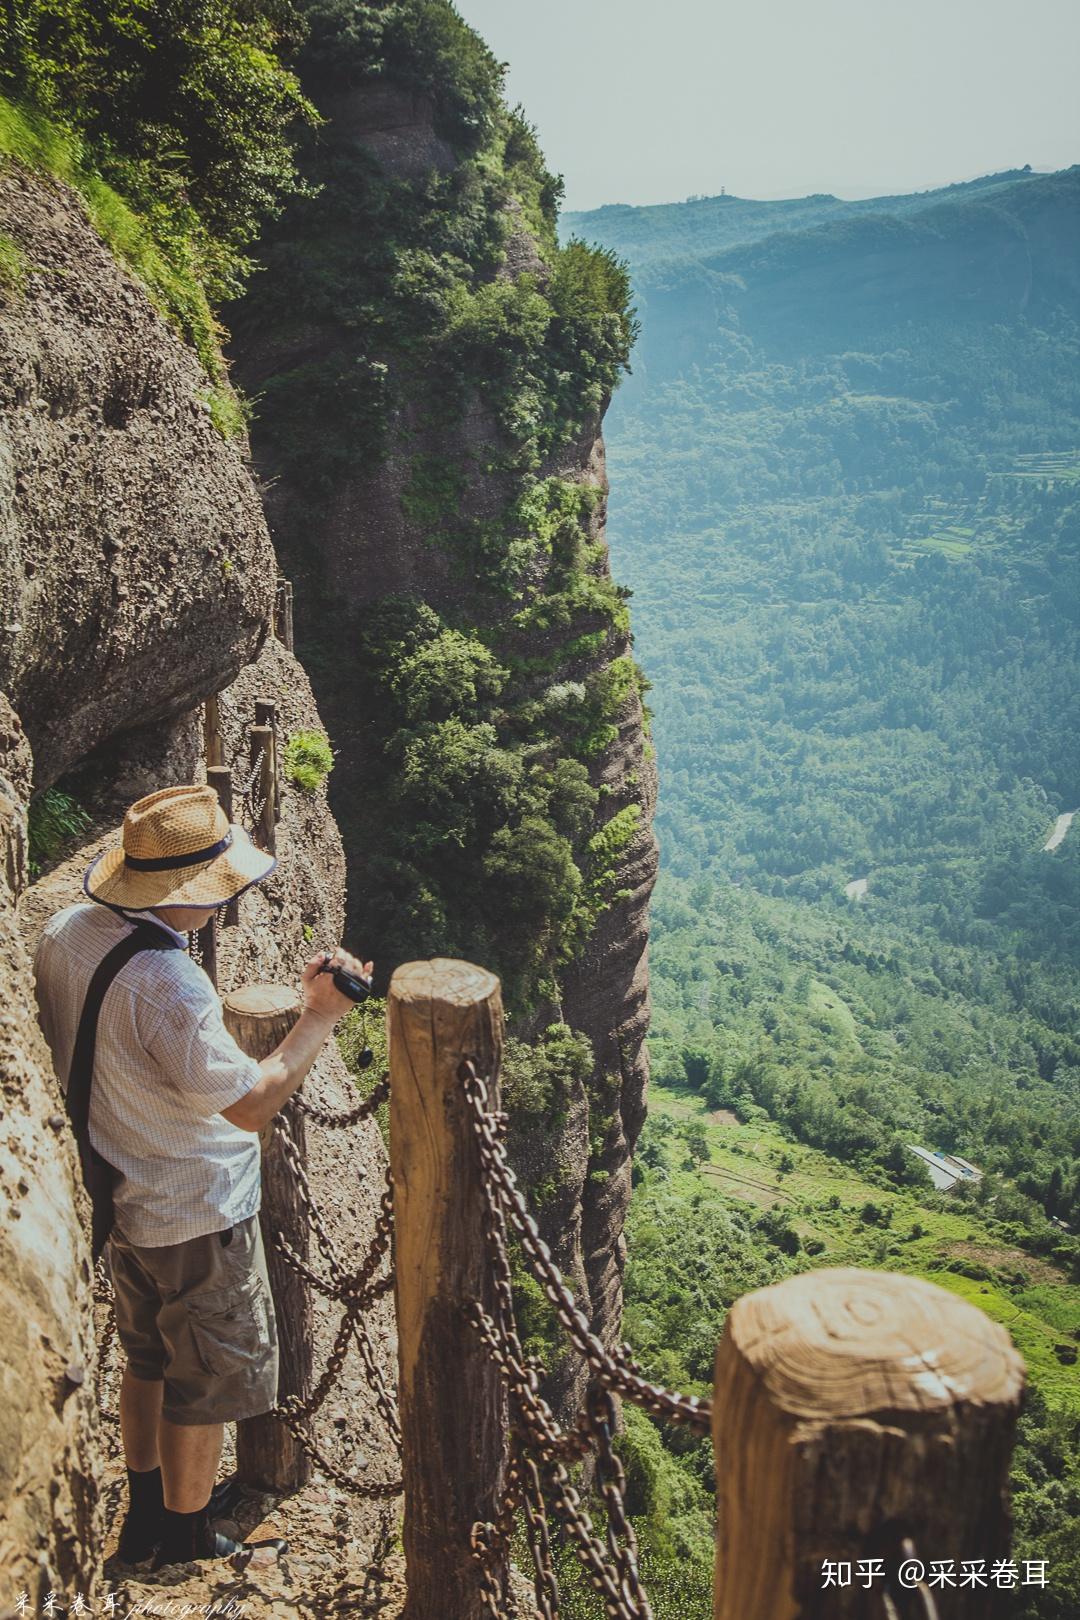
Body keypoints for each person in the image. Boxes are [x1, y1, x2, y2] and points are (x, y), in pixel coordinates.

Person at [33, 783, 371, 1570]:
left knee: (146, 1356)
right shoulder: (171, 984)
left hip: (119, 1190)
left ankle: (145, 1513)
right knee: (205, 1380)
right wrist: (317, 1016)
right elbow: (250, 1105)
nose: (225, 901)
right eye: (217, 888)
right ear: (181, 892)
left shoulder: (65, 933)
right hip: (193, 1207)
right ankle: (183, 1540)